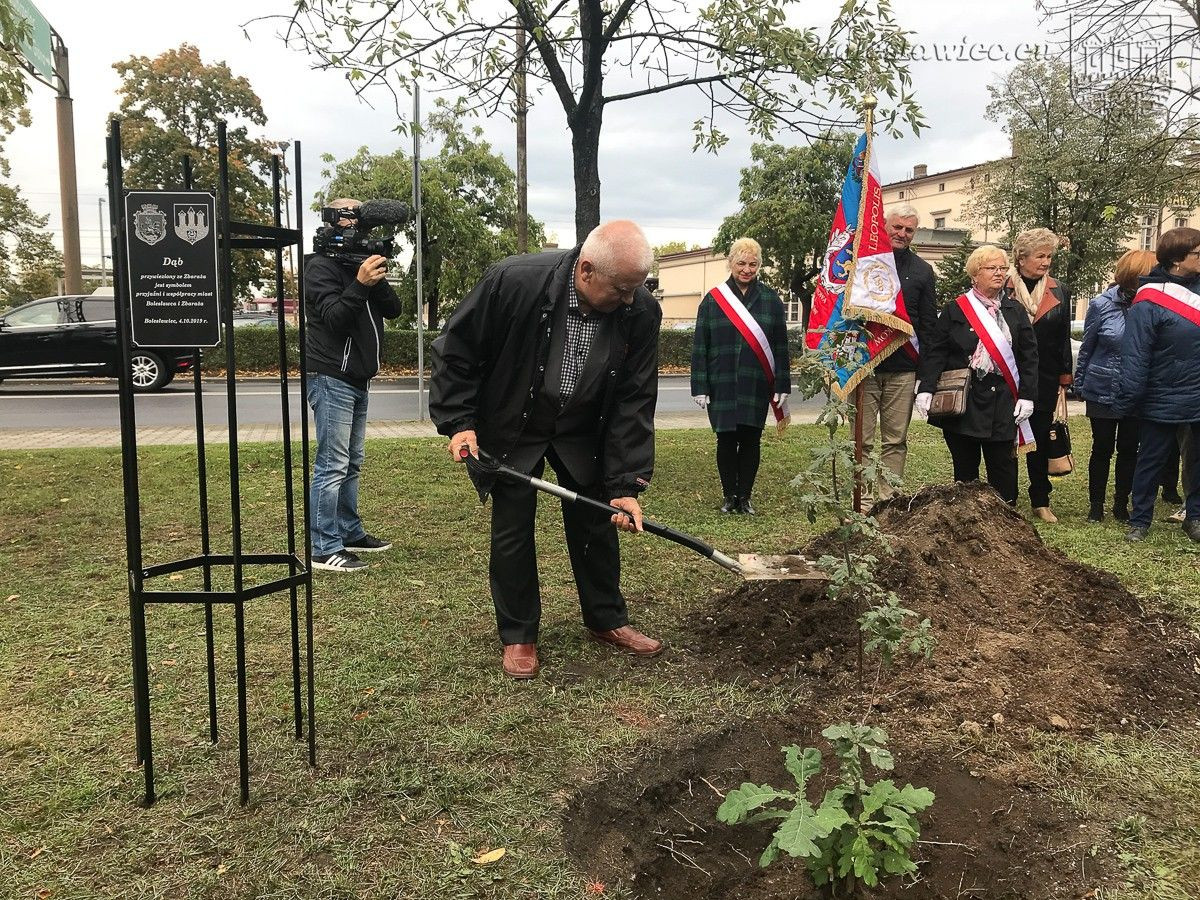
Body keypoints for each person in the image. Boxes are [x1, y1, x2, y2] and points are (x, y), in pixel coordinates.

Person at [429, 220, 664, 679]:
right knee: (513, 525)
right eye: (621, 289)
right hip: (516, 420)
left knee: (597, 518)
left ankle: (606, 618)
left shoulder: (639, 311)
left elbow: (635, 398)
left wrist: (625, 483)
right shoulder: (513, 281)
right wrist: (460, 423)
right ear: (586, 270)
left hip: (584, 427)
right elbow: (456, 351)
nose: (629, 300)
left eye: (637, 288)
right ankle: (519, 633)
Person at [303, 198, 402, 573]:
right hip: (331, 375)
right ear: (333, 221)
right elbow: (335, 319)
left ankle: (348, 531)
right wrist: (359, 284)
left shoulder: (358, 263)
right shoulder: (320, 267)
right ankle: (323, 547)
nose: (359, 226)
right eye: (352, 217)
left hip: (358, 377)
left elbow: (393, 310)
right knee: (332, 464)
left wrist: (374, 279)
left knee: (351, 462)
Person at [916, 245, 1039, 506]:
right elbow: (936, 352)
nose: (999, 273)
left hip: (1003, 401)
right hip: (966, 401)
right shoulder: (956, 309)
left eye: (1003, 268)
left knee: (1004, 471)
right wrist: (926, 388)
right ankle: (966, 518)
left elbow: (1029, 357)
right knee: (965, 472)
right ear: (975, 274)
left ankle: (1004, 517)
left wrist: (1027, 396)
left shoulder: (1015, 310)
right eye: (991, 268)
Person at [1111, 226, 1200, 543]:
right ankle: (1140, 520)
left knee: (1197, 460)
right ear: (1177, 259)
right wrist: (1130, 398)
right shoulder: (1149, 299)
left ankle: (1195, 516)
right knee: (1151, 460)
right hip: (1161, 394)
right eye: (1197, 253)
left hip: (1198, 393)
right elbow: (1136, 353)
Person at [690, 237, 791, 515]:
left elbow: (781, 346)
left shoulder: (771, 300)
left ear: (759, 266)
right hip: (721, 381)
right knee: (725, 439)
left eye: (753, 264)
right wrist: (699, 385)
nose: (747, 269)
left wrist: (782, 383)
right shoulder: (713, 300)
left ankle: (744, 497)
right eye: (741, 263)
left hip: (755, 382)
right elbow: (700, 346)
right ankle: (729, 496)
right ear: (730, 263)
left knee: (750, 439)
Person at [857, 204, 937, 506]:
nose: (902, 234)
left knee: (895, 440)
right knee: (861, 441)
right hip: (865, 366)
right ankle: (863, 503)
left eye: (909, 230)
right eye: (897, 227)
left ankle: (887, 501)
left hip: (904, 369)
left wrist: (926, 378)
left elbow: (928, 327)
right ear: (884, 226)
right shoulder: (863, 262)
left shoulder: (922, 271)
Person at [1074, 249, 1156, 522]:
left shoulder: (1152, 305)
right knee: (1102, 448)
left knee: (1130, 450)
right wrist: (1080, 383)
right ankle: (1096, 505)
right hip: (1102, 386)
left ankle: (1121, 503)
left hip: (1136, 389)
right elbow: (1087, 347)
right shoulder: (1101, 304)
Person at [1002, 228, 1073, 523]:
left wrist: (1065, 377)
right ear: (1021, 258)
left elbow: (1063, 336)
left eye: (1049, 256)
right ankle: (1006, 497)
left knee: (1040, 438)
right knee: (1005, 438)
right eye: (1040, 256)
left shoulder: (1060, 290)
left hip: (1044, 376)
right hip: (1007, 373)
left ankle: (1040, 499)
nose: (1046, 262)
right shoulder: (1001, 286)